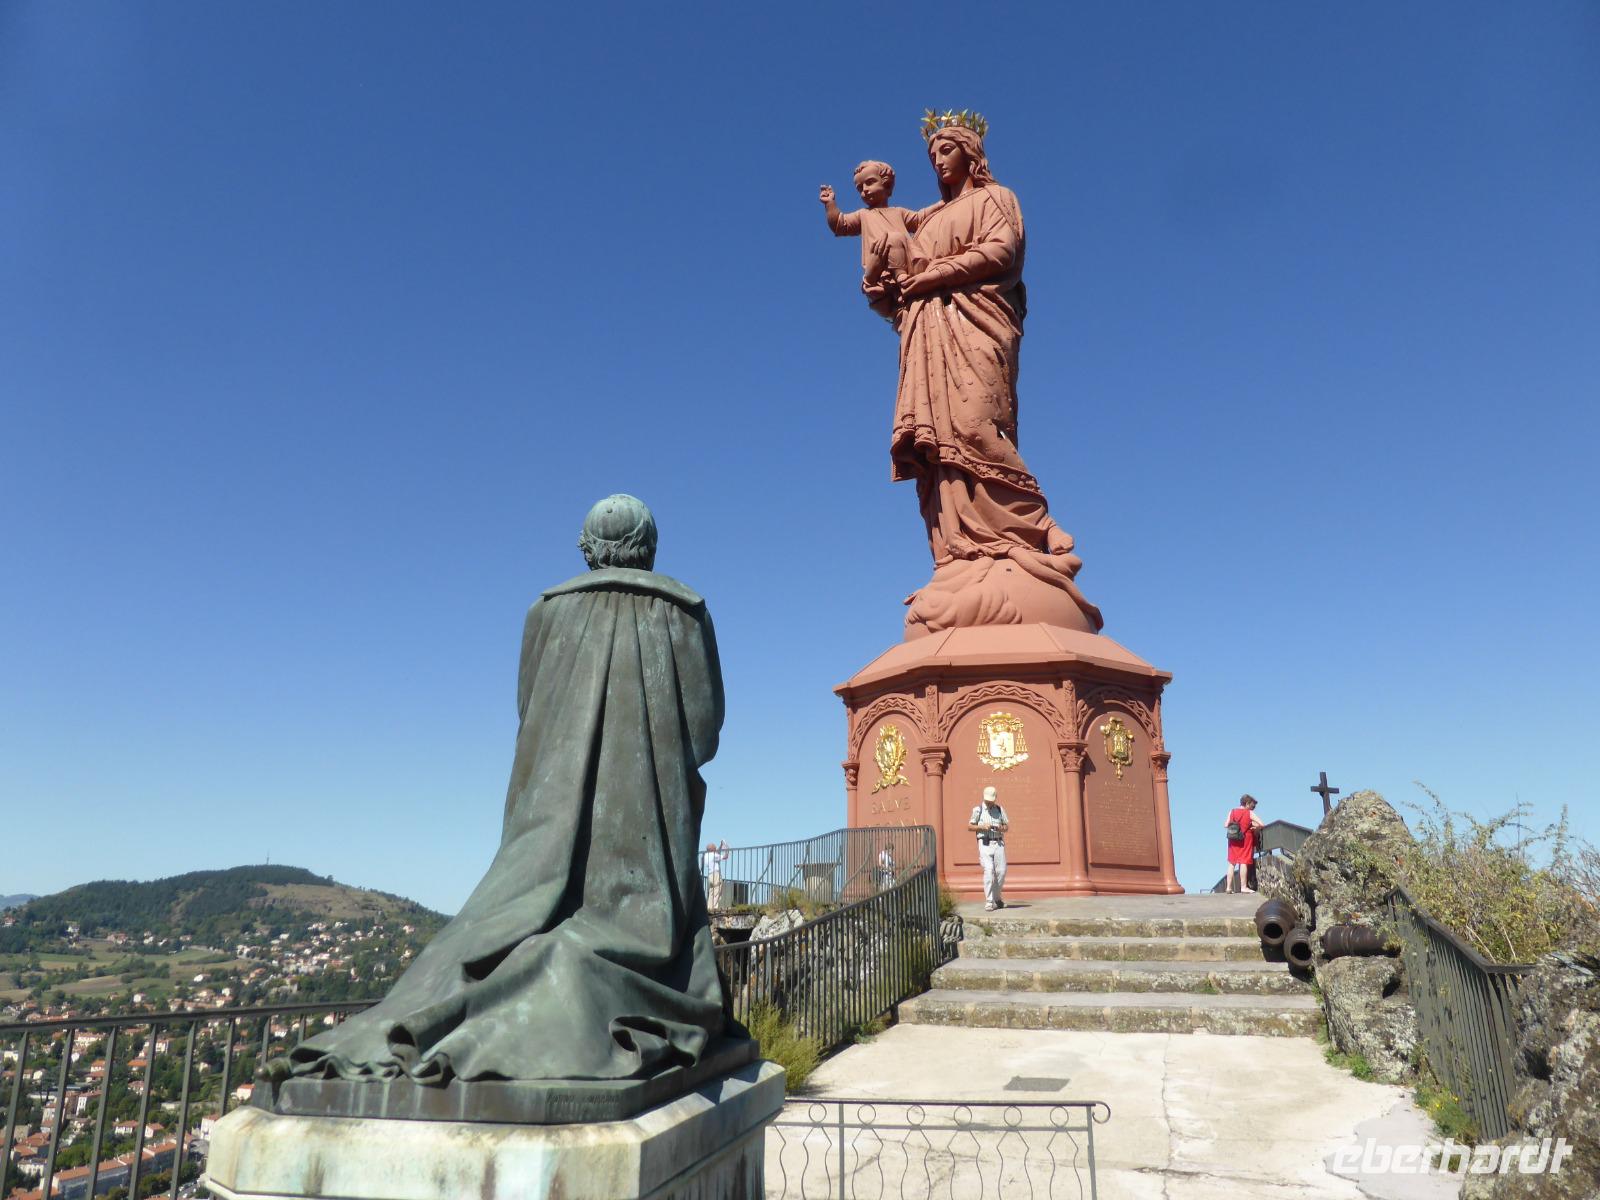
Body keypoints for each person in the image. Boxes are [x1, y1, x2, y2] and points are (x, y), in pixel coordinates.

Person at [277, 495, 728, 1085]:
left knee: (502, 921)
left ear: (589, 549)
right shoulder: (684, 611)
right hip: (647, 820)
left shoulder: (547, 611)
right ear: (650, 547)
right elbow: (704, 729)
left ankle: (439, 1016)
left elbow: (527, 708)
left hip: (546, 809)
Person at [888, 118, 1102, 635]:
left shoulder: (996, 198)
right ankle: (959, 552)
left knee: (976, 423)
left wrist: (932, 276)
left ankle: (1036, 525)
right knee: (938, 446)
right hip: (929, 334)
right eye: (932, 155)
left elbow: (1002, 252)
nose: (938, 161)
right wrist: (887, 287)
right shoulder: (927, 219)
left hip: (979, 325)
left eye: (946, 150)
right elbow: (901, 286)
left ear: (969, 153)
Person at [819, 161, 933, 324]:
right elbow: (839, 224)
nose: (864, 190)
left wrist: (943, 202)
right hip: (880, 267)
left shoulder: (898, 212)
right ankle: (899, 279)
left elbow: (920, 218)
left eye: (870, 182)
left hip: (904, 261)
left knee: (895, 239)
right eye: (860, 188)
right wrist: (830, 203)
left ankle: (902, 280)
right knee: (892, 239)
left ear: (886, 183)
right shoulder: (863, 214)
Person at [968, 786, 1010, 910]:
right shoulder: (978, 810)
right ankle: (989, 901)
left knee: (1001, 871)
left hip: (998, 843)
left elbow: (1006, 826)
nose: (989, 802)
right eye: (988, 800)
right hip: (985, 843)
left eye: (991, 800)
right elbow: (970, 826)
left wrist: (1001, 828)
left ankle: (997, 898)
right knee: (989, 871)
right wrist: (982, 826)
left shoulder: (999, 809)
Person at [1224, 794, 1264, 894]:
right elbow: (1262, 824)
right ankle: (1243, 887)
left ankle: (1228, 887)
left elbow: (1226, 825)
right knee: (1243, 862)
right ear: (1247, 803)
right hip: (1245, 840)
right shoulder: (1249, 813)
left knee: (1231, 863)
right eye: (1251, 806)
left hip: (1233, 839)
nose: (1252, 808)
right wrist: (1255, 828)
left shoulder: (1232, 811)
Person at [702, 840, 729, 910]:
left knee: (711, 891)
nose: (716, 848)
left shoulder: (706, 855)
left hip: (710, 875)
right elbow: (725, 857)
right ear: (713, 849)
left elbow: (717, 852)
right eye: (715, 847)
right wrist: (727, 849)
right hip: (716, 874)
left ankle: (709, 908)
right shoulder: (714, 855)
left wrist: (721, 845)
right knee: (717, 890)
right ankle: (714, 907)